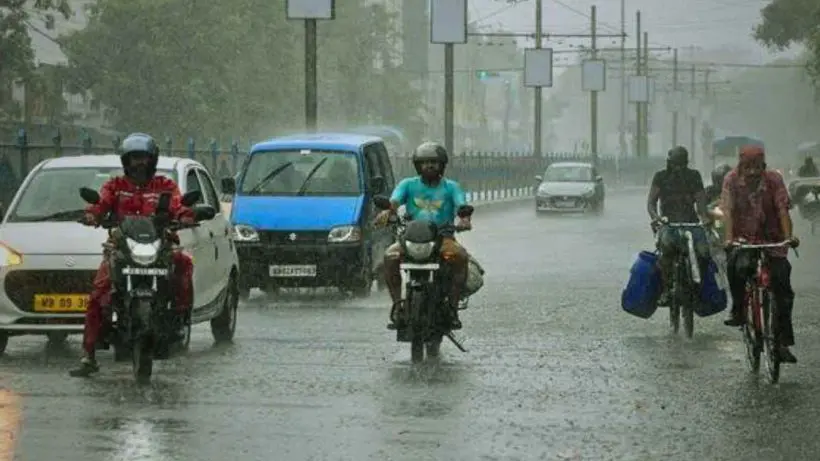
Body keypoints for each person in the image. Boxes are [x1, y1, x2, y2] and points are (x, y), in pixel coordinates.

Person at [69, 133, 196, 377]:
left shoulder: (165, 186)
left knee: (184, 264)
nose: (139, 164)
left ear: (153, 160)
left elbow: (179, 205)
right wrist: (92, 215)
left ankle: (179, 319)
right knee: (98, 293)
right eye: (134, 158)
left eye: (144, 158)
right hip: (122, 248)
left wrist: (186, 216)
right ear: (126, 161)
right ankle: (89, 356)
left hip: (159, 247)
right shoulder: (115, 186)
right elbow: (100, 204)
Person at [375, 142, 471, 330]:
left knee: (460, 257)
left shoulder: (451, 187)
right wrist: (387, 212)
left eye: (433, 162)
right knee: (390, 257)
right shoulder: (407, 185)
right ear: (417, 165)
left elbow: (461, 205)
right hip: (410, 238)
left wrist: (464, 218)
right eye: (424, 162)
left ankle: (452, 308)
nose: (429, 166)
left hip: (443, 239)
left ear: (442, 165)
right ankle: (397, 306)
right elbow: (394, 201)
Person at [720, 145, 799, 363]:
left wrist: (789, 236)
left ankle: (782, 342)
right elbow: (727, 211)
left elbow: (783, 210)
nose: (753, 172)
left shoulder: (774, 179)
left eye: (757, 167)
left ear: (763, 165)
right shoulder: (731, 180)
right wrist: (728, 240)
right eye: (748, 167)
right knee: (736, 268)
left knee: (782, 285)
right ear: (741, 166)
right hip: (743, 239)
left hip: (772, 239)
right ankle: (737, 309)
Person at [646, 146, 710, 305]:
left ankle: (699, 288)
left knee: (703, 253)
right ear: (669, 163)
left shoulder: (694, 176)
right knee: (666, 252)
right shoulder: (660, 177)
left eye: (681, 164)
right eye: (675, 164)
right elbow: (651, 203)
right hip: (668, 224)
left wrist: (704, 218)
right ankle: (667, 289)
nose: (677, 168)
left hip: (692, 224)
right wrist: (657, 217)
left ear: (686, 163)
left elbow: (701, 202)